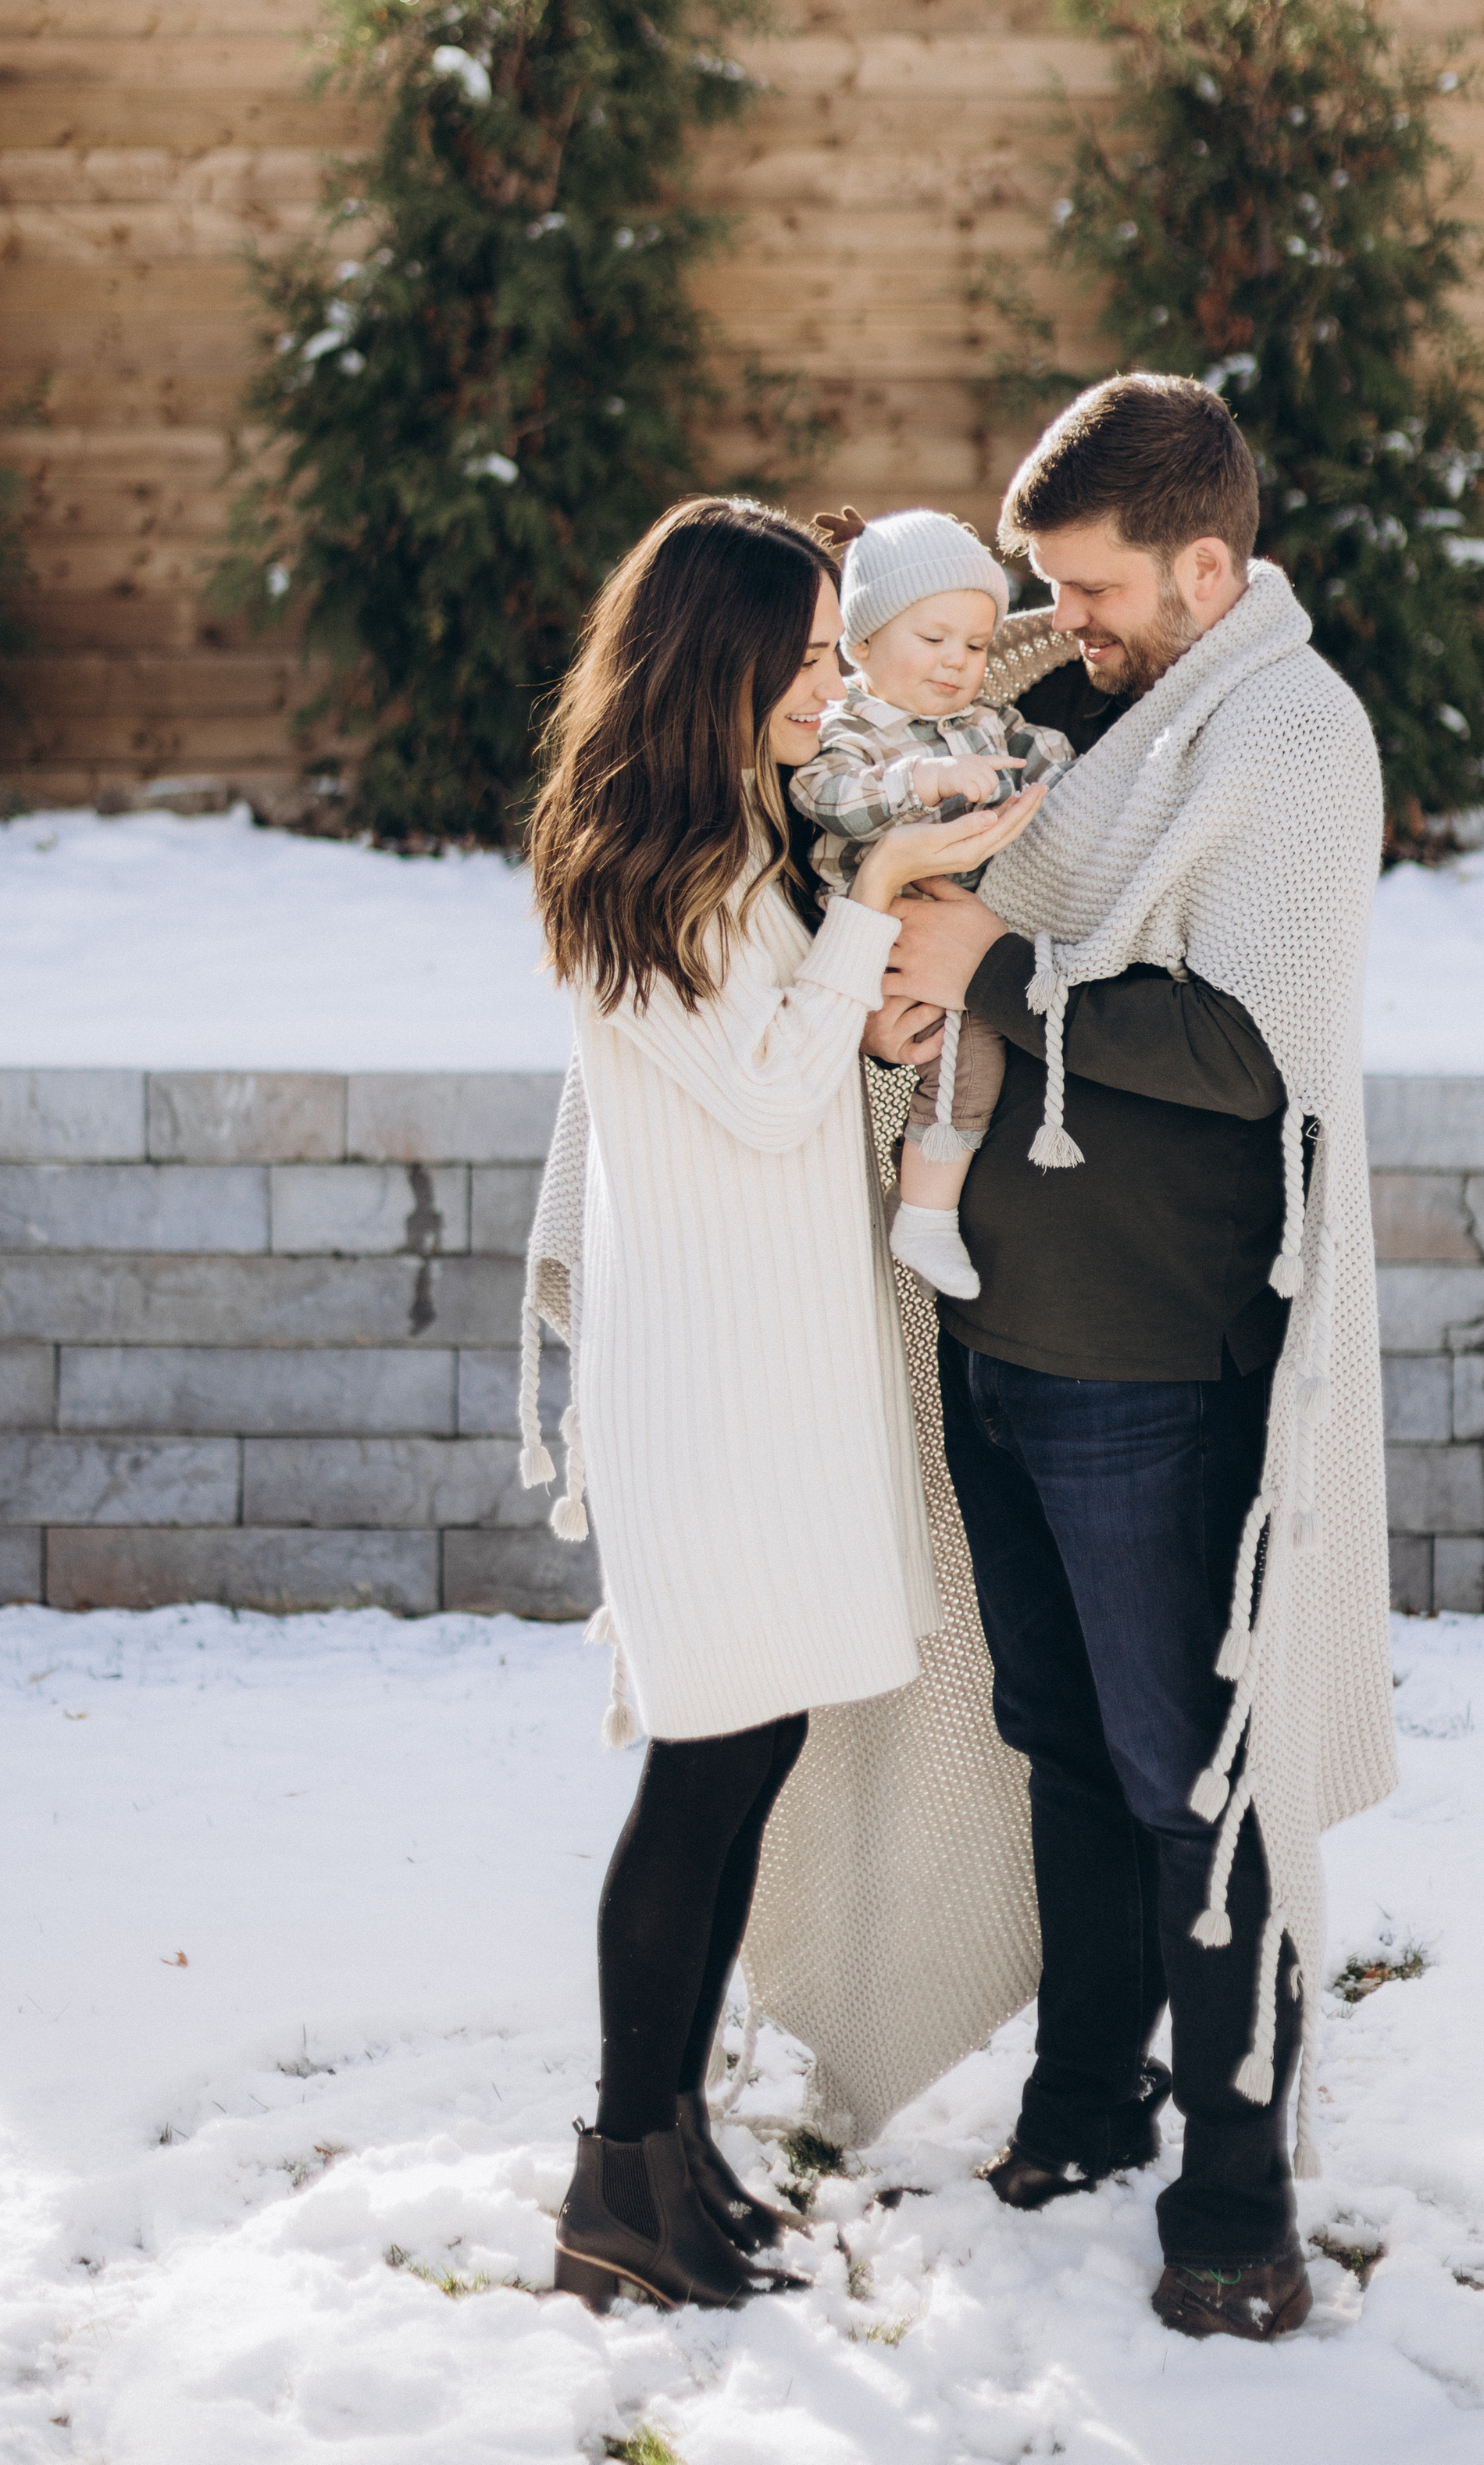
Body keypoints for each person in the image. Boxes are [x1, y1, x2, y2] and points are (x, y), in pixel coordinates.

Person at [871, 373, 1396, 2344]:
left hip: (1147, 1354)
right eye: (1051, 592)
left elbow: (1248, 1048)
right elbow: (908, 737)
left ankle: (1236, 2199)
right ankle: (1086, 2102)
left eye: (1093, 591)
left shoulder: (1286, 735)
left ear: (1205, 560)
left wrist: (989, 960)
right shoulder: (1078, 706)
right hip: (994, 1313)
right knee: (1061, 1748)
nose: (1066, 624)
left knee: (1194, 1775)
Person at [519, 494, 1045, 2315]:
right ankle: (612, 2175)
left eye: (837, 650)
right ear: (713, 660)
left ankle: (671, 2156)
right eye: (808, 652)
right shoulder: (628, 868)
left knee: (744, 1768)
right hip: (703, 1397)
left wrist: (879, 1000)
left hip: (775, 1369)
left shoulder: (742, 832)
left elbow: (788, 1072)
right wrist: (882, 902)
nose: (832, 683)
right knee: (704, 1772)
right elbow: (747, 1099)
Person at [789, 503, 1074, 1302]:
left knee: (992, 1047)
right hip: (886, 933)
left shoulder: (982, 721)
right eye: (934, 640)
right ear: (861, 646)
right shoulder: (851, 731)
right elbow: (825, 796)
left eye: (976, 646)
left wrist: (1058, 770)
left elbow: (1037, 752)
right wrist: (917, 783)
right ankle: (923, 1211)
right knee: (969, 1059)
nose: (957, 663)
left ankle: (934, 1200)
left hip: (968, 921)